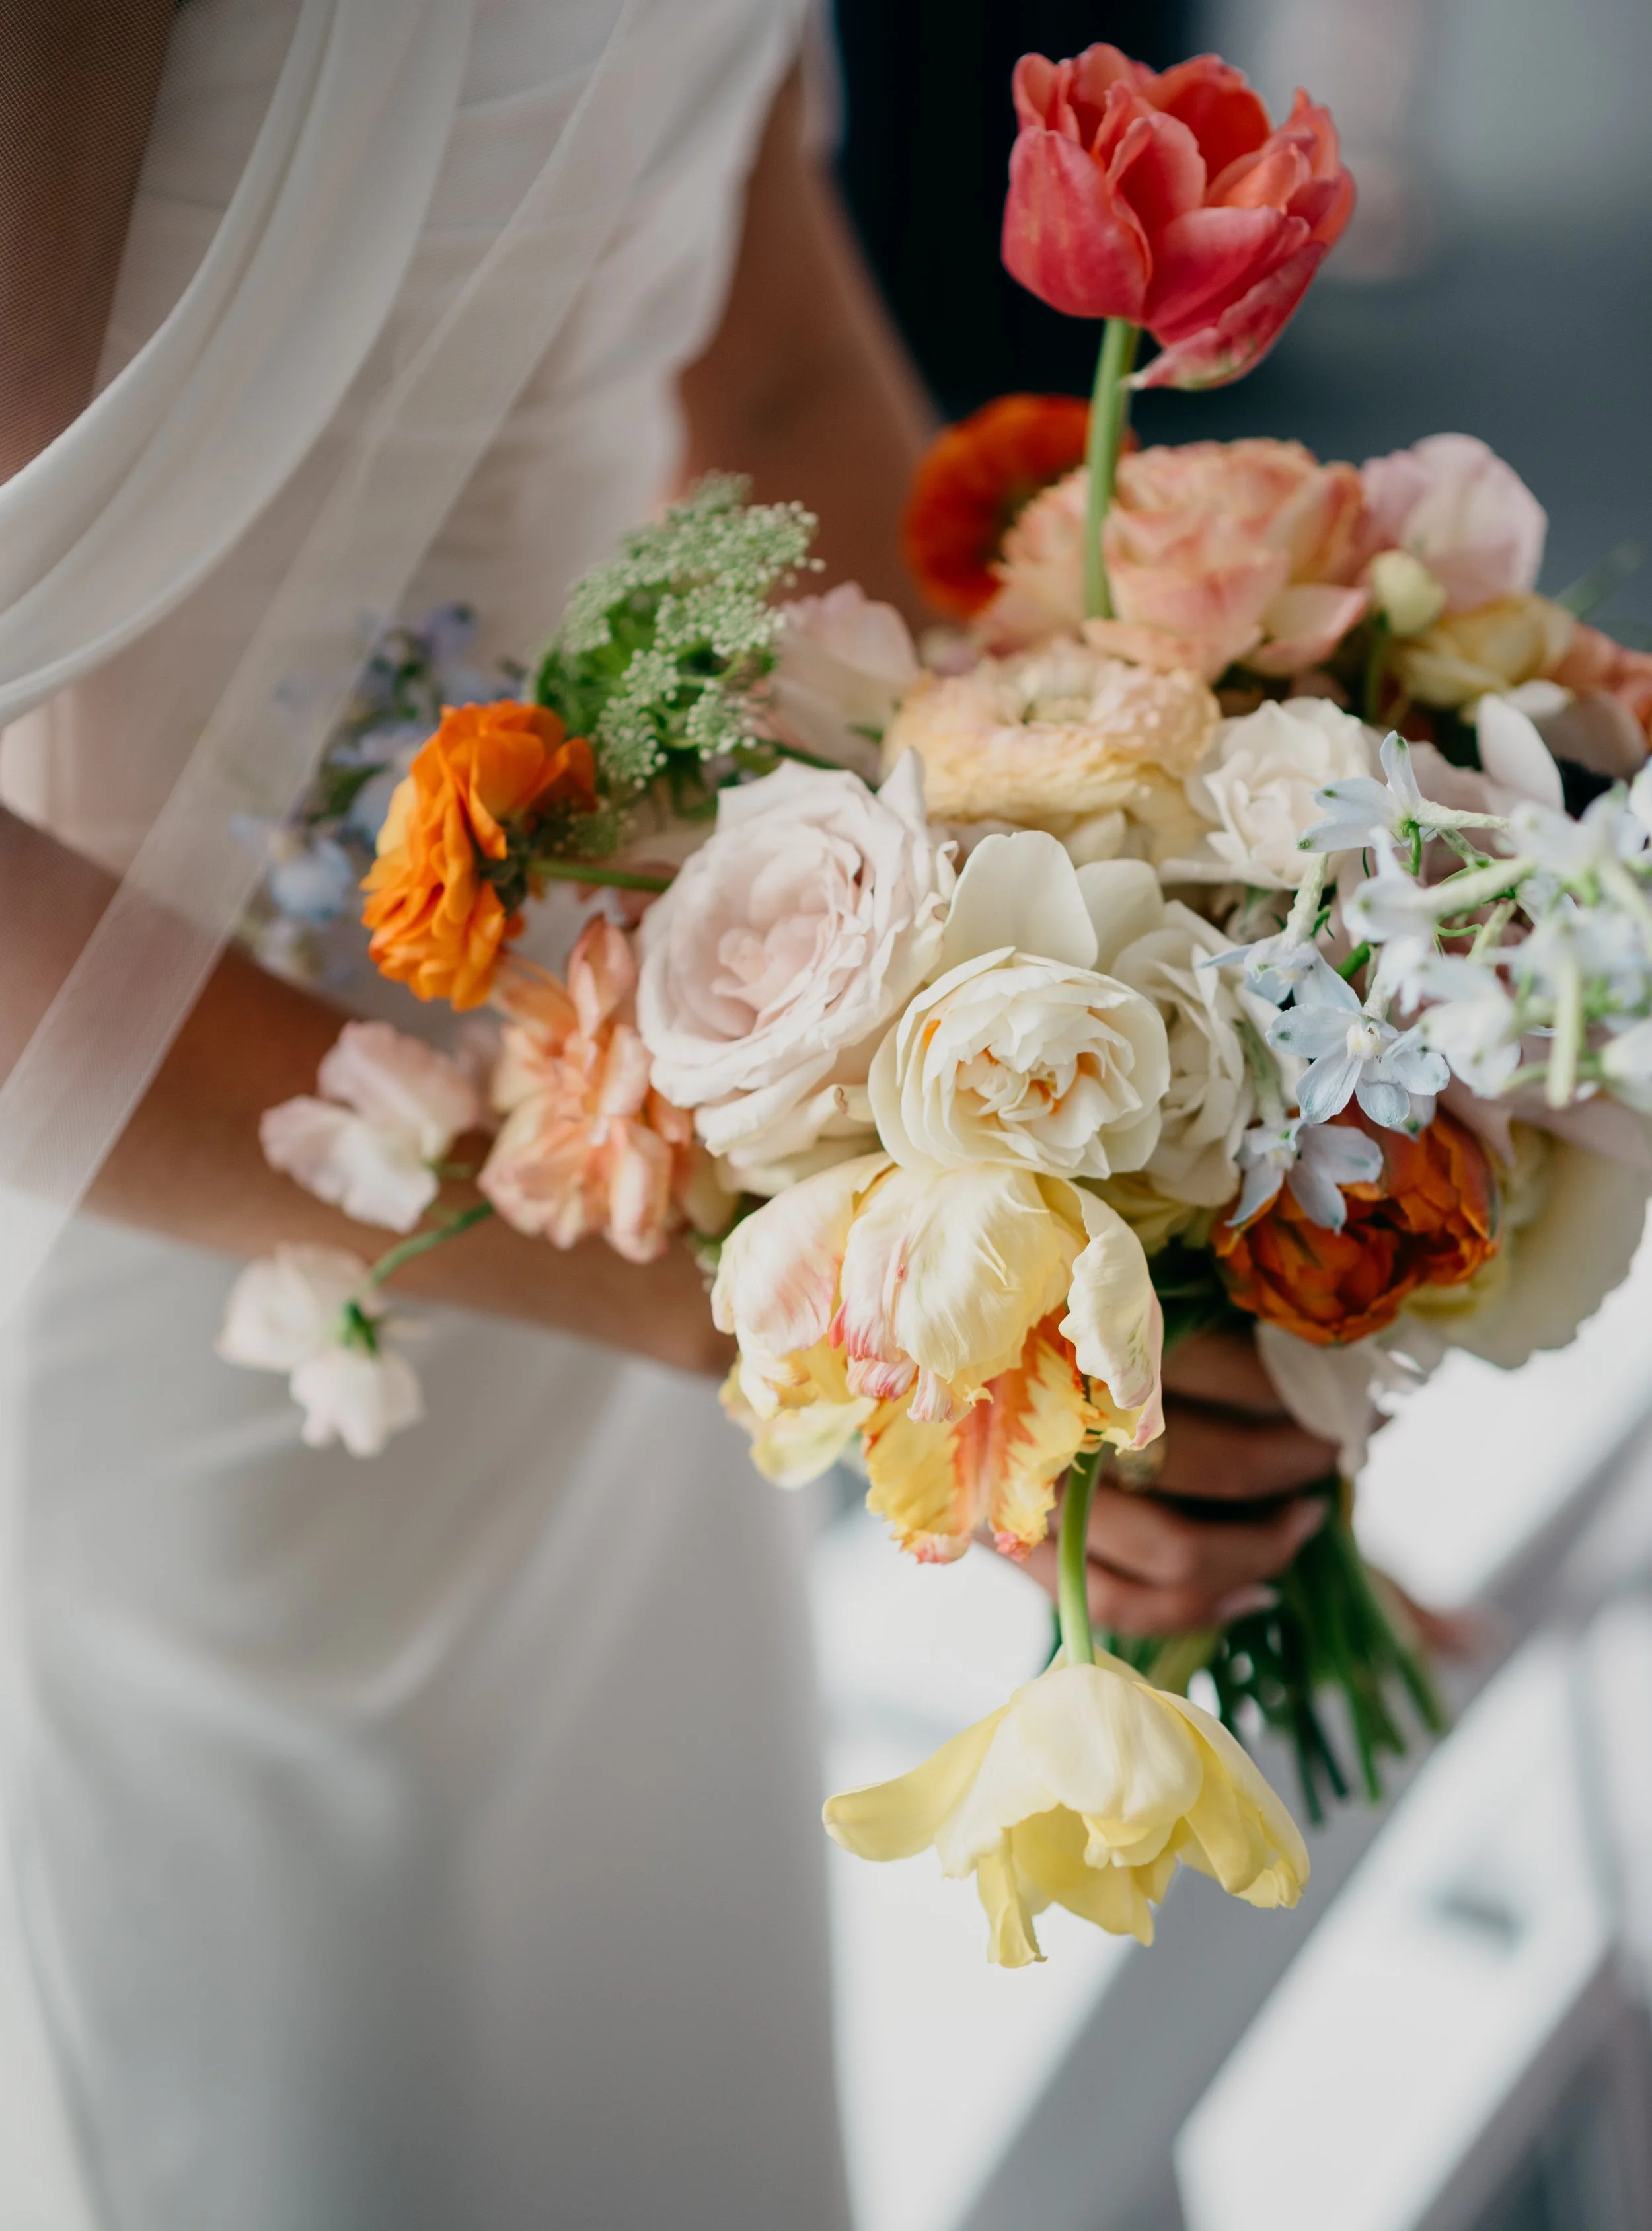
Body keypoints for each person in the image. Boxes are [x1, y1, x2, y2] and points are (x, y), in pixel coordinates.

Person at [0, 6, 1335, 2226]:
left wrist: (1114, 954)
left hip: (699, 1125)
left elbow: (761, 377)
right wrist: (812, 1313)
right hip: (234, 1261)